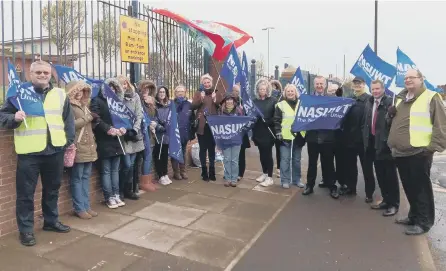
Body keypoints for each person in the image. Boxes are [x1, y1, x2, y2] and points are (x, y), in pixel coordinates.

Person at [0, 60, 74, 246]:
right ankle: (26, 230)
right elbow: (3, 116)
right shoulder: (19, 93)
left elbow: (68, 121)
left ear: (50, 75)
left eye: (46, 73)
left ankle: (51, 221)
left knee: (52, 189)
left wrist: (67, 142)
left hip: (55, 150)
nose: (42, 75)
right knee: (25, 194)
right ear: (30, 74)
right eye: (38, 72)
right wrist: (13, 117)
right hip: (29, 152)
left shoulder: (60, 94)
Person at [388, 69, 446, 235]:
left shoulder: (431, 97)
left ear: (421, 79)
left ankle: (424, 222)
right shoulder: (401, 98)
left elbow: (441, 125)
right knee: (409, 188)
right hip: (401, 152)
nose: (408, 80)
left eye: (411, 77)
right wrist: (389, 116)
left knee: (421, 190)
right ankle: (414, 217)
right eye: (406, 78)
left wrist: (430, 149)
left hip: (419, 153)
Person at [362, 80, 399, 217]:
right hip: (372, 144)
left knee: (390, 176)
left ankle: (394, 204)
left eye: (378, 88)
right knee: (380, 175)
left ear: (383, 89)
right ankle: (385, 200)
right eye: (373, 89)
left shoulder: (390, 102)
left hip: (385, 145)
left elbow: (392, 123)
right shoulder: (369, 102)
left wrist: (391, 114)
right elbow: (366, 122)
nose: (375, 91)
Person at [90, 78, 126, 209]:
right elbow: (96, 119)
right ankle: (109, 196)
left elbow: (124, 119)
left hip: (117, 140)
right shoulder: (96, 101)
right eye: (108, 87)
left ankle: (116, 194)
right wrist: (108, 129)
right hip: (105, 140)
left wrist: (123, 128)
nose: (111, 90)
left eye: (113, 88)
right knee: (106, 171)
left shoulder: (118, 102)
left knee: (115, 170)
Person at [66, 81, 99, 219]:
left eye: (84, 91)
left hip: (89, 147)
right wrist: (89, 117)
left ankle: (86, 206)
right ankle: (79, 208)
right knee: (77, 178)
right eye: (78, 91)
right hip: (78, 147)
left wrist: (93, 119)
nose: (81, 94)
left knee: (85, 178)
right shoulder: (69, 106)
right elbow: (71, 125)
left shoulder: (85, 106)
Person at [303, 76, 339, 199]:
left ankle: (332, 186)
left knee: (328, 162)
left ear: (325, 85)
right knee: (312, 163)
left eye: (321, 84)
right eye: (317, 83)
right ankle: (309, 185)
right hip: (313, 136)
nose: (319, 86)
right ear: (314, 85)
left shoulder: (331, 99)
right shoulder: (308, 99)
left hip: (327, 136)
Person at [341, 76, 375, 203]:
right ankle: (351, 188)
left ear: (364, 85)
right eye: (355, 83)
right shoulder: (350, 99)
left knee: (366, 168)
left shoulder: (369, 99)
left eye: (359, 83)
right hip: (350, 139)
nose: (357, 85)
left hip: (363, 140)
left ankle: (369, 193)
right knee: (350, 167)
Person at [191, 74, 223, 181]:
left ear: (211, 82)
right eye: (204, 82)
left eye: (208, 82)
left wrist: (215, 100)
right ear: (202, 83)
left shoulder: (216, 92)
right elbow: (193, 106)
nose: (206, 84)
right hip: (202, 125)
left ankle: (212, 171)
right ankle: (204, 172)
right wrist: (201, 98)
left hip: (213, 125)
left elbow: (221, 106)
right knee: (203, 149)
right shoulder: (199, 93)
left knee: (212, 149)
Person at [274, 84, 305, 189]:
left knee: (296, 159)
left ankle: (297, 180)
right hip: (284, 137)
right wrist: (278, 132)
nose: (290, 93)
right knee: (285, 159)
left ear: (296, 92)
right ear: (285, 93)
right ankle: (285, 180)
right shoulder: (280, 105)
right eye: (288, 91)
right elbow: (276, 120)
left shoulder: (302, 104)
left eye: (292, 91)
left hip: (299, 136)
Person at [118, 75, 144, 200]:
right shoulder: (116, 99)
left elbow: (139, 114)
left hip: (134, 134)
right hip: (123, 136)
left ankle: (128, 190)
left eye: (125, 84)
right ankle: (120, 190)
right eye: (120, 84)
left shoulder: (135, 96)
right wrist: (126, 131)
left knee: (132, 164)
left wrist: (134, 130)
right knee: (126, 165)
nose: (123, 86)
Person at [252, 78, 277, 187]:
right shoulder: (254, 101)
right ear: (257, 90)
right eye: (260, 89)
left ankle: (270, 177)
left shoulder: (273, 100)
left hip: (268, 131)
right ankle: (264, 173)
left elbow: (276, 116)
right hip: (258, 130)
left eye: (264, 89)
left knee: (267, 154)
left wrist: (269, 121)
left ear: (268, 90)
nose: (262, 90)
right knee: (261, 154)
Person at [219, 93, 244, 187]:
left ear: (234, 101)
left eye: (231, 99)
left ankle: (234, 179)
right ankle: (227, 178)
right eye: (227, 100)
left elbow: (243, 123)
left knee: (234, 160)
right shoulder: (221, 111)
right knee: (227, 159)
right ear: (225, 101)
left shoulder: (239, 110)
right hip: (225, 139)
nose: (229, 101)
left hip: (236, 139)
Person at [137, 80, 158, 192]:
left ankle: (148, 179)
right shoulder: (138, 102)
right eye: (144, 89)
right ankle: (144, 181)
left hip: (151, 133)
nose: (146, 91)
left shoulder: (150, 102)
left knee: (149, 157)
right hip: (143, 134)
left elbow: (155, 116)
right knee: (146, 157)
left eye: (148, 89)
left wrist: (152, 105)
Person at [326, 83, 348, 193]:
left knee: (341, 161)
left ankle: (342, 181)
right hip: (327, 138)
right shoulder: (323, 103)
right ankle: (331, 184)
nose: (333, 93)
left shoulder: (344, 102)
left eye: (335, 90)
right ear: (327, 92)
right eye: (330, 91)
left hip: (340, 137)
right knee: (328, 162)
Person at [172, 85, 194, 180]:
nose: (180, 93)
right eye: (178, 91)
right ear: (175, 93)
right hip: (175, 133)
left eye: (182, 91)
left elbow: (192, 119)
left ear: (185, 92)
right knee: (175, 151)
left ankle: (183, 171)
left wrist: (191, 133)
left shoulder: (189, 104)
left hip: (185, 133)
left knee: (183, 151)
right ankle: (176, 172)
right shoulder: (171, 104)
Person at [151, 86, 172, 186]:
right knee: (158, 155)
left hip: (167, 134)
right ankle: (160, 175)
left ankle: (165, 173)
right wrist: (160, 127)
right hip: (158, 134)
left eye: (164, 92)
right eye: (160, 92)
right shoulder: (155, 105)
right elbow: (154, 119)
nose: (162, 94)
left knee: (164, 155)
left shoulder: (170, 105)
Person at [232, 84, 251, 181]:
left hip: (241, 132)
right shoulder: (228, 101)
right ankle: (231, 172)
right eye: (233, 91)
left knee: (241, 153)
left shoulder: (243, 102)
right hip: (230, 132)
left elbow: (248, 115)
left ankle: (240, 173)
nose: (234, 93)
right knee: (230, 154)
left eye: (236, 91)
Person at [270, 79, 283, 178]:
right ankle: (268, 170)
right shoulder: (267, 98)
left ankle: (279, 168)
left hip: (279, 127)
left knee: (279, 149)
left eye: (276, 87)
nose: (274, 89)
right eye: (272, 87)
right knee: (268, 149)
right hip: (269, 127)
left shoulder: (282, 99)